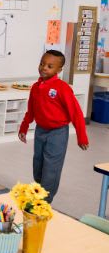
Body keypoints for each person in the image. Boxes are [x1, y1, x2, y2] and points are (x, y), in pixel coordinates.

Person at [18, 50, 89, 203]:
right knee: (38, 164)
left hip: (57, 133)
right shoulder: (36, 87)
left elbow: (76, 113)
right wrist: (24, 127)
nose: (44, 68)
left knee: (51, 167)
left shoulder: (62, 88)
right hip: (40, 130)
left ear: (59, 70)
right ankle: (39, 193)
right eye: (42, 64)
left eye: (50, 66)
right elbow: (31, 110)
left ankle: (44, 202)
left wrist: (81, 136)